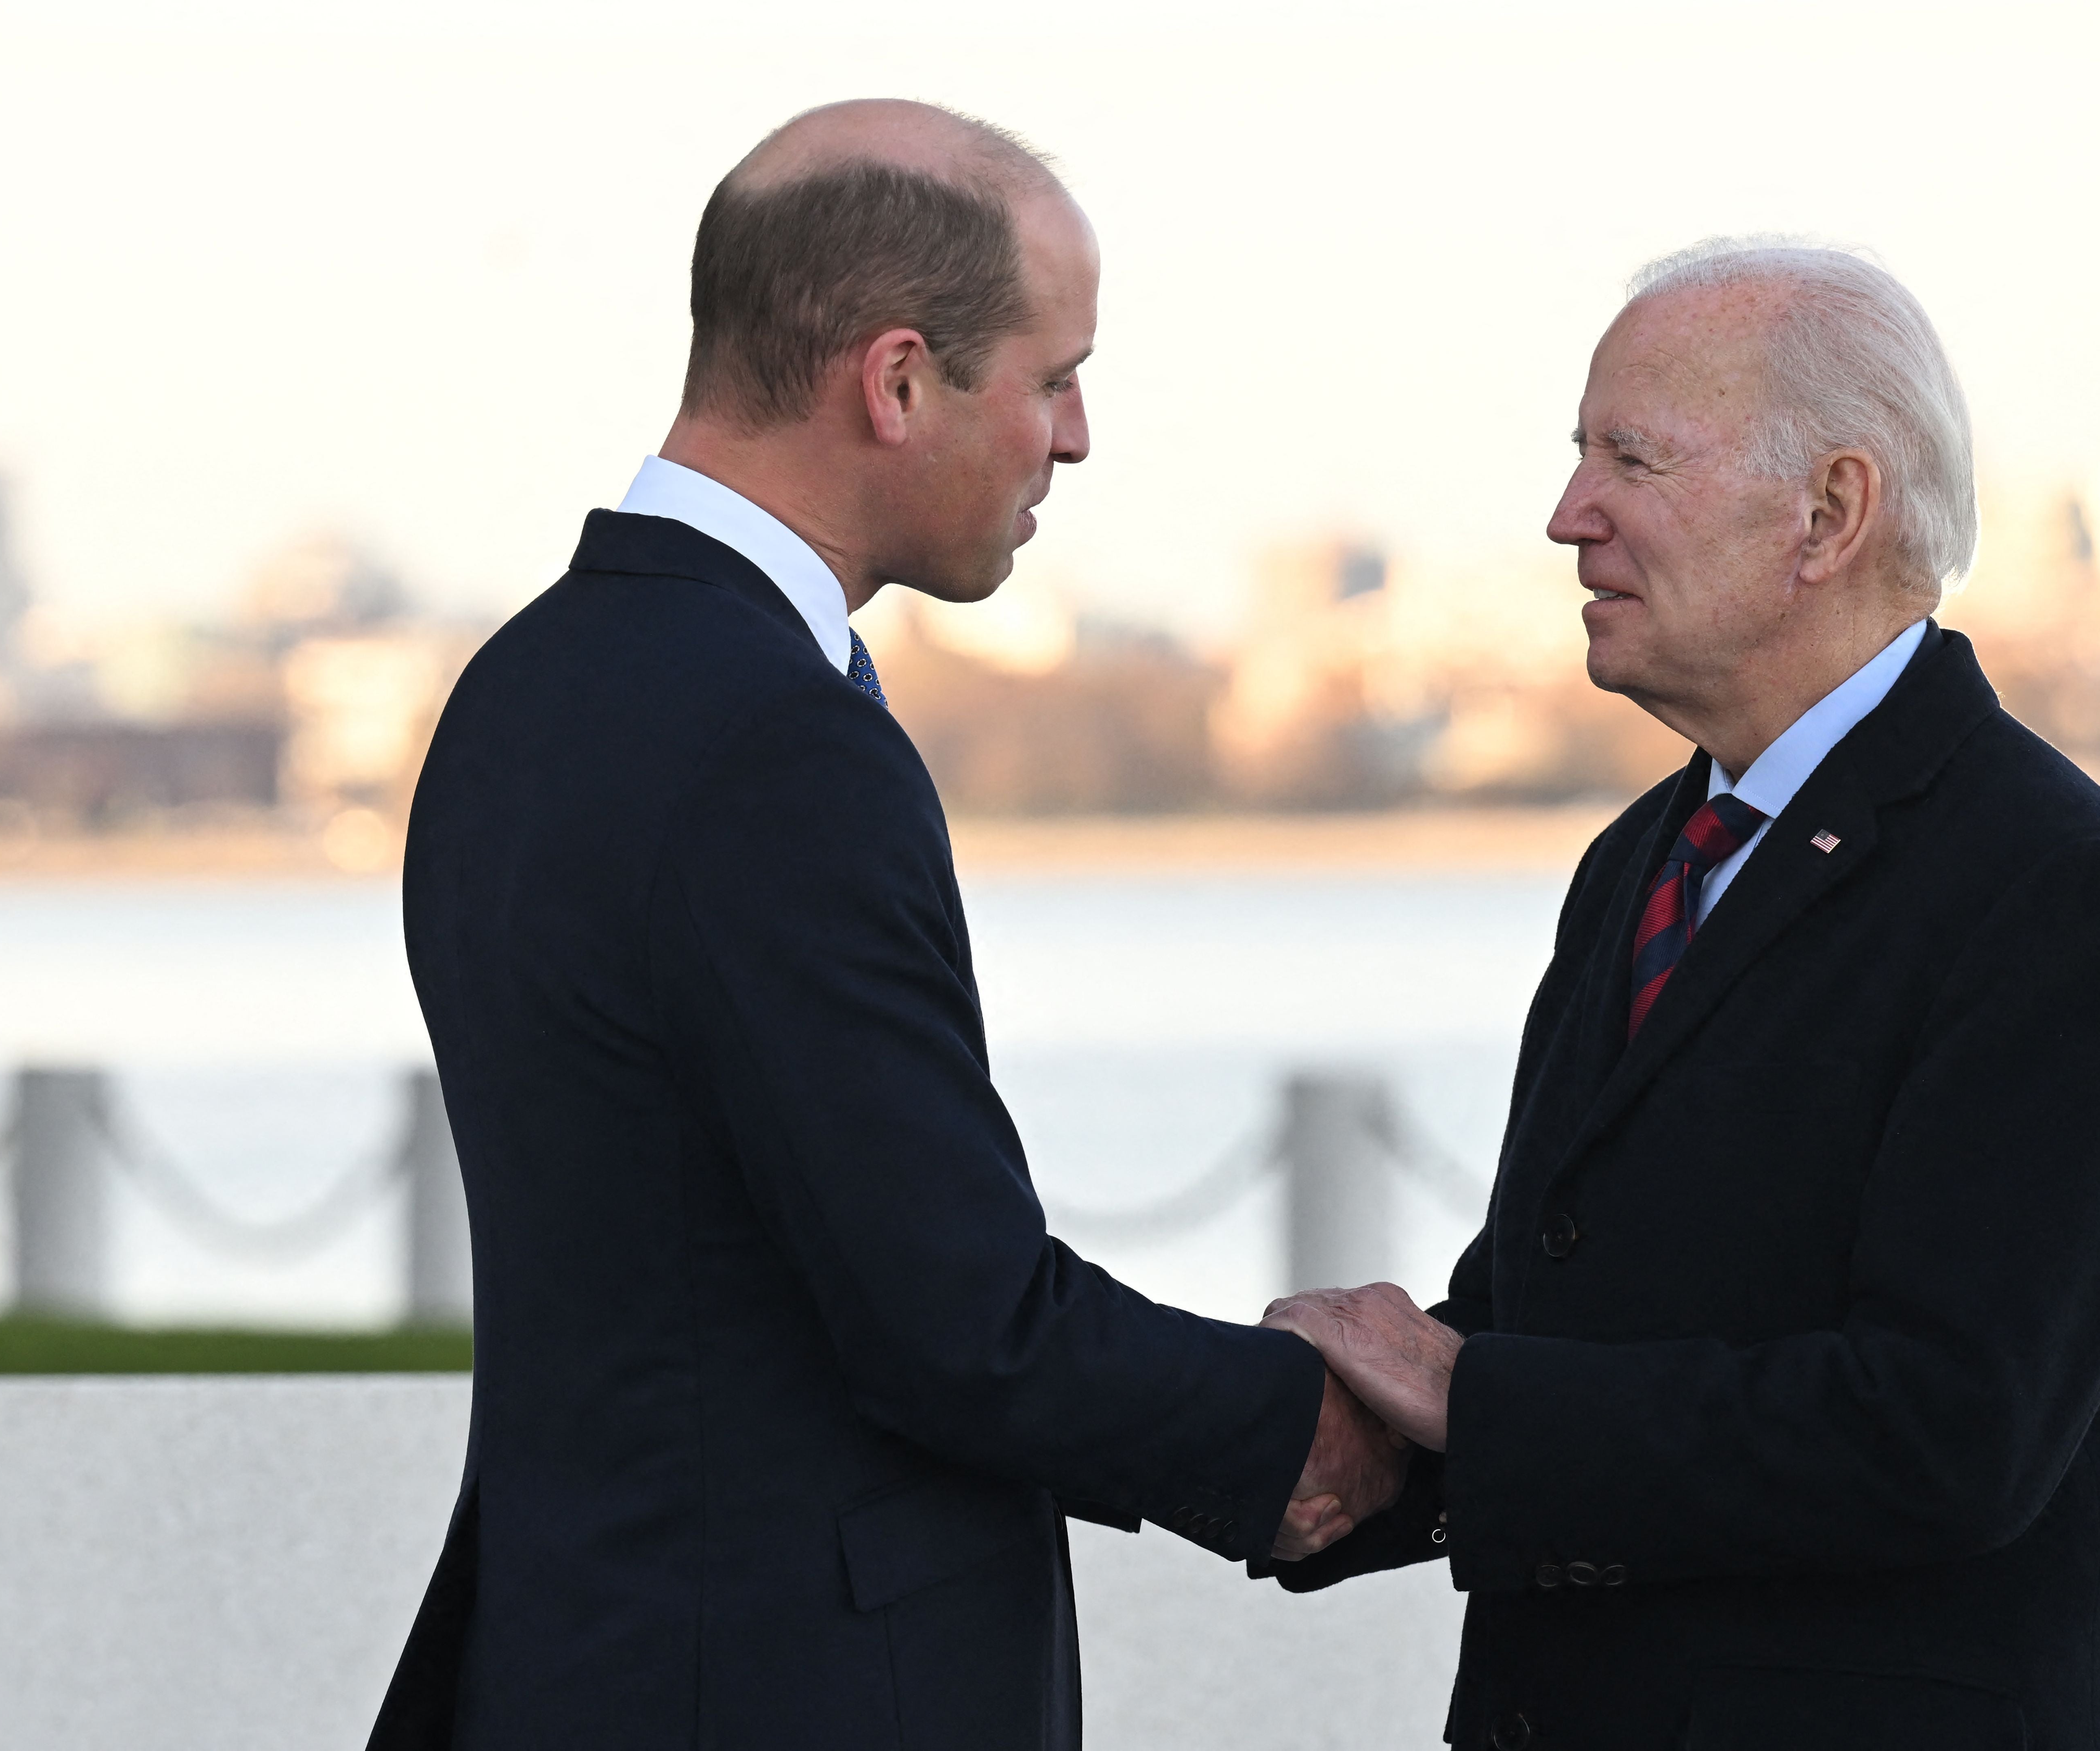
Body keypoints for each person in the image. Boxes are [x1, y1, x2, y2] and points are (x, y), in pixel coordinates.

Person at [367, 100, 1402, 1751]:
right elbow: (958, 1324)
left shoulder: (521, 691)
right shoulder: (776, 744)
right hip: (781, 1689)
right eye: (1053, 377)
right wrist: (1336, 1438)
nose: (1077, 435)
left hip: (571, 1656)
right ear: (899, 380)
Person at [1261, 239, 2100, 1751]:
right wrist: (1298, 1445)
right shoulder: (1643, 859)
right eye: (1579, 457)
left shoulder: (2047, 887)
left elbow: (1951, 1433)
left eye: (1630, 458)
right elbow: (1552, 1323)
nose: (1570, 516)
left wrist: (1473, 1409)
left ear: (1829, 513)